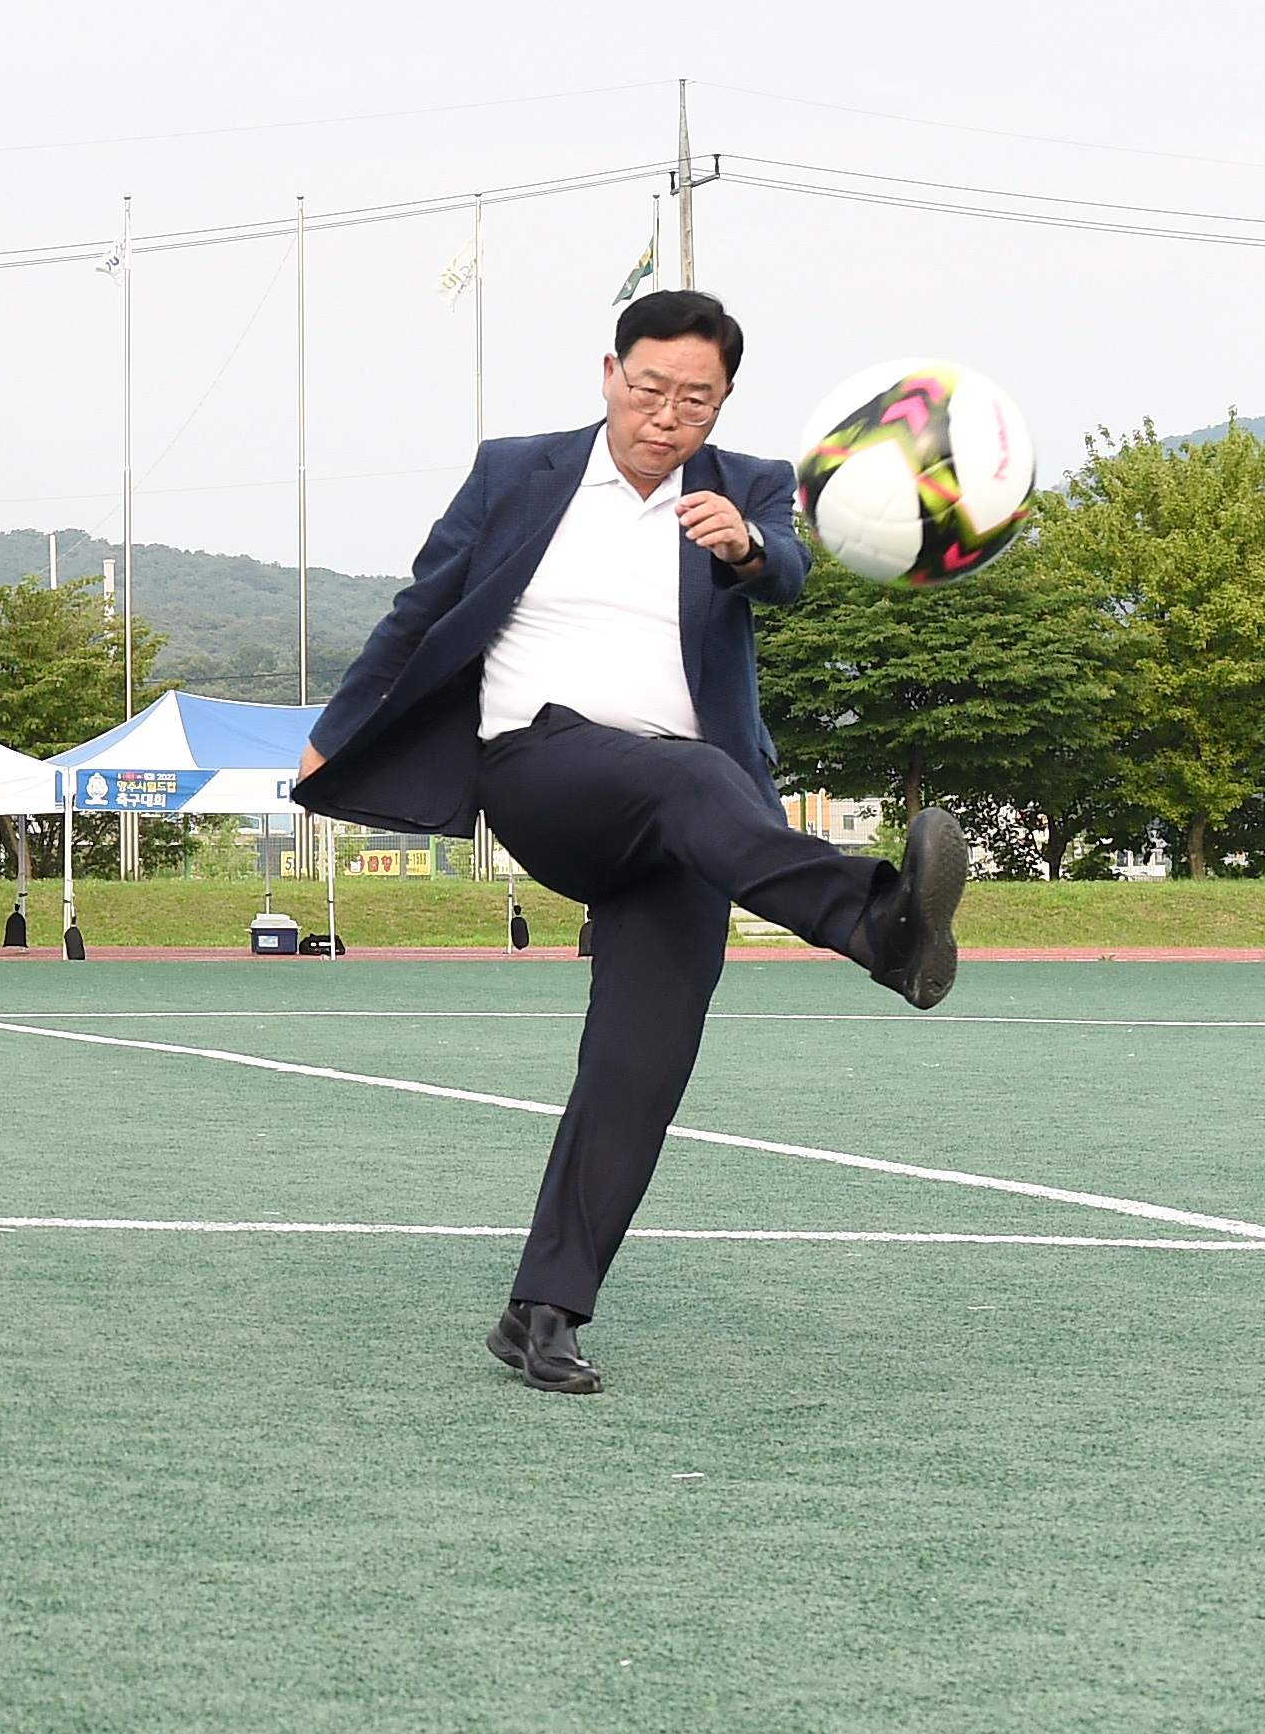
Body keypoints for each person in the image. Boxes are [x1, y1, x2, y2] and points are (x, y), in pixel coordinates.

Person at [296, 288, 966, 1396]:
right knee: (691, 774)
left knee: (637, 1063)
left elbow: (790, 572)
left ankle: (542, 1310)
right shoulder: (516, 469)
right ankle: (868, 919)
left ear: (722, 400)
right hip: (545, 769)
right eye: (647, 387)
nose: (665, 414)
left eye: (691, 398)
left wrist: (747, 546)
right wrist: (334, 738)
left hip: (697, 820)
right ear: (606, 372)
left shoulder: (741, 486)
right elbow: (421, 608)